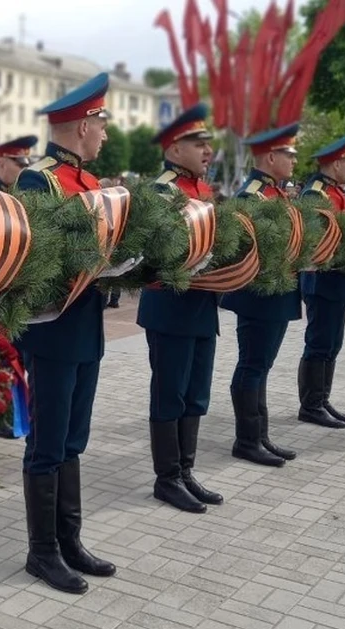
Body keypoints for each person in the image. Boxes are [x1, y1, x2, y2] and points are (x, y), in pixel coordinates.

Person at [14, 72, 119, 594]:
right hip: (53, 332)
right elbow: (37, 258)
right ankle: (43, 552)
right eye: (102, 123)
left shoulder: (93, 184)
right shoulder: (40, 181)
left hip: (86, 329)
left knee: (73, 438)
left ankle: (70, 540)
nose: (105, 133)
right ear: (82, 125)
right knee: (48, 441)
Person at [137, 102, 224, 514]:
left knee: (196, 394)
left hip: (202, 307)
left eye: (207, 143)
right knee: (169, 393)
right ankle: (166, 478)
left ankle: (186, 471)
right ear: (174, 149)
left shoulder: (202, 190)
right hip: (170, 309)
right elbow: (158, 254)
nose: (207, 150)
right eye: (197, 143)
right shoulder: (162, 192)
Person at [220, 123, 301, 467]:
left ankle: (260, 435)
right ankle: (247, 440)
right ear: (271, 156)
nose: (294, 161)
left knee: (261, 366)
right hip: (260, 297)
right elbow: (244, 250)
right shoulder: (251, 196)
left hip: (276, 295)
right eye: (289, 154)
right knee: (253, 365)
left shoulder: (274, 193)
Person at [298, 132, 345, 429]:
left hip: (338, 278)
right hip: (322, 279)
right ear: (336, 163)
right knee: (320, 341)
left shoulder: (336, 191)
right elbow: (316, 241)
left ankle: (321, 400)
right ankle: (310, 405)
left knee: (333, 342)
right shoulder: (316, 194)